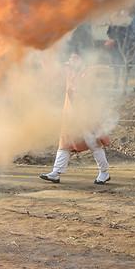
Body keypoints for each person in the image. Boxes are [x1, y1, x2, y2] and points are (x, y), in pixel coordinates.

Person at [40, 52, 111, 185]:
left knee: (93, 144)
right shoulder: (69, 72)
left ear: (83, 60)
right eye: (70, 58)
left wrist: (72, 73)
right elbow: (54, 76)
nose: (71, 60)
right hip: (71, 116)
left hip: (86, 116)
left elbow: (84, 90)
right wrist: (45, 62)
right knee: (64, 144)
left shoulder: (88, 74)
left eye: (75, 58)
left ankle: (104, 172)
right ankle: (56, 172)